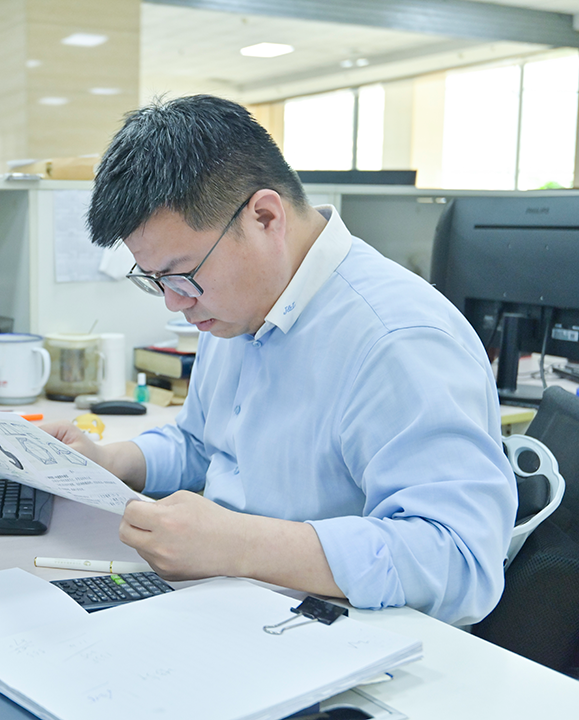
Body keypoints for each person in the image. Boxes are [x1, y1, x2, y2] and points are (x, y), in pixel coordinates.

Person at [44, 94, 517, 626]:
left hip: (342, 634)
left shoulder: (397, 339)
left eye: (181, 275)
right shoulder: (234, 306)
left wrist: (240, 545)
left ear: (265, 217)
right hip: (230, 607)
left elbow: (460, 561)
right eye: (156, 280)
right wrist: (110, 462)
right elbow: (203, 445)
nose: (175, 302)